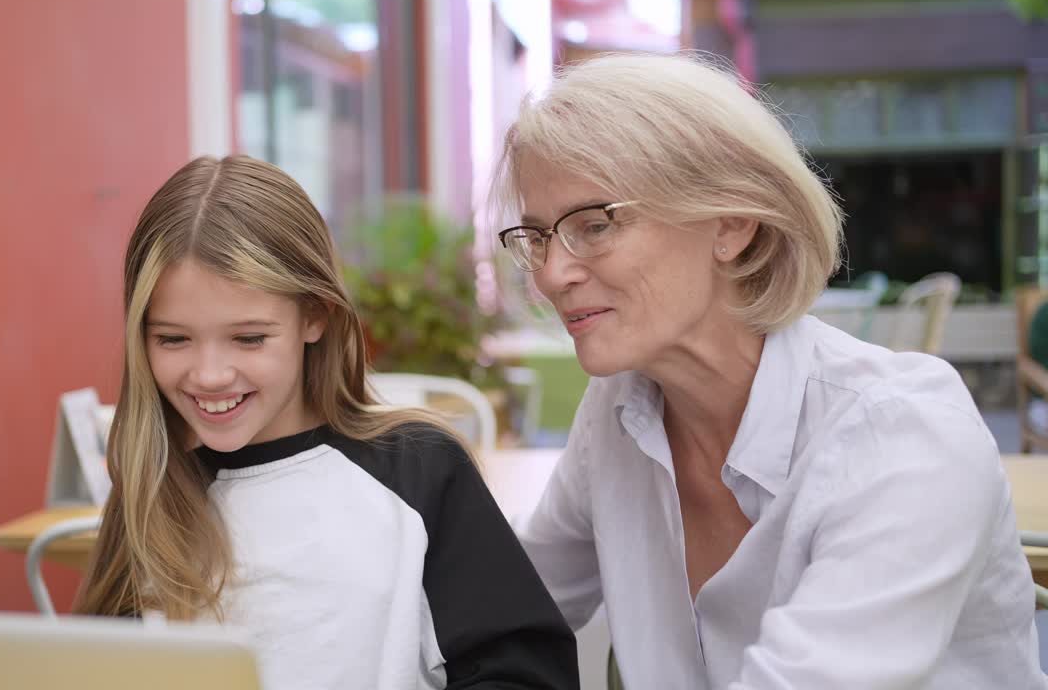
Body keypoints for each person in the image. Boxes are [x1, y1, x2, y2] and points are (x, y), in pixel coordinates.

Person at [492, 53, 1047, 689]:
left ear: (731, 224)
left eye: (594, 225)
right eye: (536, 237)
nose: (551, 273)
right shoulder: (621, 411)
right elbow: (504, 609)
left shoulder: (903, 436)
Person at [73, 154, 578, 690]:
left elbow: (526, 673)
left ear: (315, 316)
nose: (210, 374)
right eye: (173, 339)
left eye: (249, 338)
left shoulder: (419, 470)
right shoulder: (150, 492)